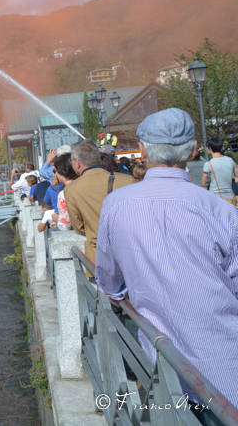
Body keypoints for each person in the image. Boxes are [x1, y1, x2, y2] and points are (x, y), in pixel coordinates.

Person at [96, 108, 238, 408]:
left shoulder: (116, 205)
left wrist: (126, 293)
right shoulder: (221, 211)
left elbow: (109, 282)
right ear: (194, 150)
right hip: (226, 364)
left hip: (163, 367)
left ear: (143, 151)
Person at [64, 140, 134, 264]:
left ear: (78, 164)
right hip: (131, 253)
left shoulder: (72, 189)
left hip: (98, 258)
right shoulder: (128, 180)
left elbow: (79, 227)